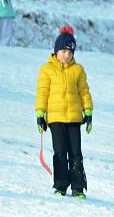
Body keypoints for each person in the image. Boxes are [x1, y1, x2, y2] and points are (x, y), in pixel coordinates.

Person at [35, 25, 94, 199]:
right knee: (60, 153)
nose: (67, 55)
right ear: (56, 50)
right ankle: (60, 186)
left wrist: (88, 112)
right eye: (64, 51)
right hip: (55, 119)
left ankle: (78, 188)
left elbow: (84, 91)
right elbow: (42, 92)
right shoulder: (47, 69)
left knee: (76, 153)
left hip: (74, 119)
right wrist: (40, 114)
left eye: (70, 52)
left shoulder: (78, 70)